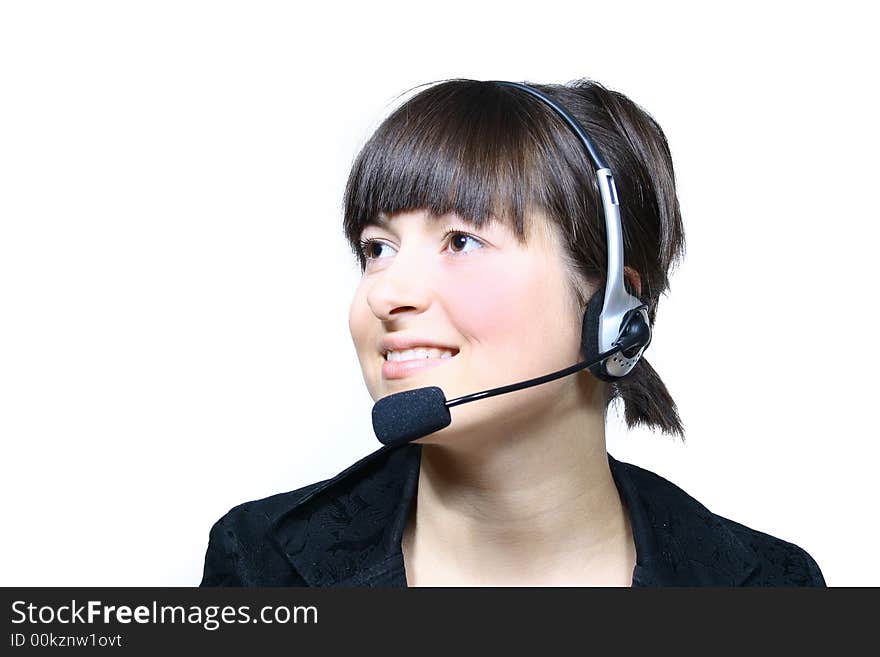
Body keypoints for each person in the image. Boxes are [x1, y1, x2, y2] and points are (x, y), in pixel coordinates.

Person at [199, 78, 826, 587]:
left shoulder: (772, 585)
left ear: (612, 313)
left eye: (461, 241)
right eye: (376, 248)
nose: (384, 293)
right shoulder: (260, 566)